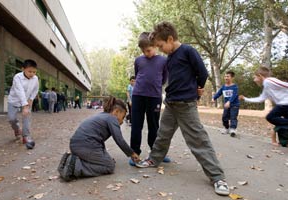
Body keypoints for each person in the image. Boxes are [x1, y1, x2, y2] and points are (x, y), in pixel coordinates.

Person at [135, 21, 230, 196]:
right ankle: (154, 160)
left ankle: (218, 178)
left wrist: (198, 89)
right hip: (171, 104)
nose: (160, 49)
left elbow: (202, 72)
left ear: (170, 39)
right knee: (162, 135)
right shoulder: (170, 57)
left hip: (186, 105)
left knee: (198, 140)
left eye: (161, 45)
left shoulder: (187, 51)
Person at [57, 96, 140, 181]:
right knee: (109, 166)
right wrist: (132, 154)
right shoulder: (112, 119)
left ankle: (73, 161)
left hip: (77, 145)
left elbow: (98, 140)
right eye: (122, 117)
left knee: (106, 160)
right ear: (116, 112)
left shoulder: (102, 116)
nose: (122, 121)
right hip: (85, 146)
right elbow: (119, 140)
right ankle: (74, 168)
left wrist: (103, 156)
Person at [130, 32, 169, 166]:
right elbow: (137, 75)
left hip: (154, 97)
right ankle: (134, 153)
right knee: (136, 125)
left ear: (155, 46)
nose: (146, 53)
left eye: (148, 50)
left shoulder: (163, 61)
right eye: (143, 51)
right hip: (138, 96)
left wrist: (155, 86)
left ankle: (156, 154)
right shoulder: (138, 60)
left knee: (154, 126)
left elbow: (164, 78)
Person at [239, 66, 288, 147]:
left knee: (270, 117)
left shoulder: (268, 81)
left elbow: (285, 84)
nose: (254, 80)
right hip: (284, 105)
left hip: (285, 104)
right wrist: (245, 98)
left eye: (255, 77)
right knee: (283, 122)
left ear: (260, 76)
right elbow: (260, 99)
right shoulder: (266, 86)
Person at [7, 59, 39, 149]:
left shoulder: (35, 78)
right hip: (14, 100)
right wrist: (25, 105)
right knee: (11, 119)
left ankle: (26, 136)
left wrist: (31, 99)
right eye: (29, 71)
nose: (32, 74)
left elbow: (35, 89)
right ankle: (17, 130)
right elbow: (19, 91)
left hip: (27, 100)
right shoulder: (17, 77)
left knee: (26, 118)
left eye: (34, 72)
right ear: (23, 69)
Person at [212, 71, 240, 137]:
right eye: (225, 76)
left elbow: (234, 95)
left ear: (232, 77)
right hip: (227, 106)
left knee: (233, 117)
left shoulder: (235, 87)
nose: (226, 78)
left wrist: (229, 102)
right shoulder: (223, 87)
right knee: (224, 117)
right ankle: (226, 128)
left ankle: (233, 129)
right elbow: (218, 93)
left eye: (228, 76)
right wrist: (214, 98)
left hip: (234, 105)